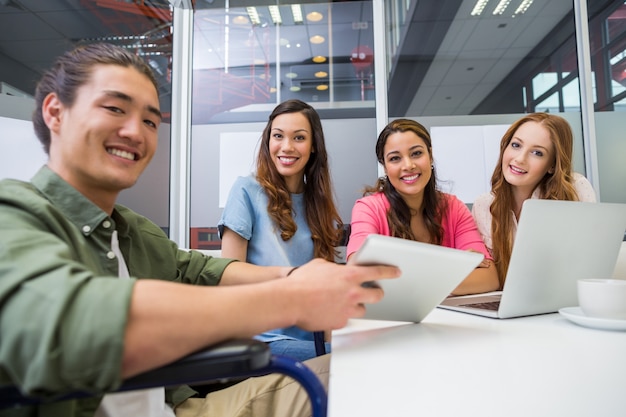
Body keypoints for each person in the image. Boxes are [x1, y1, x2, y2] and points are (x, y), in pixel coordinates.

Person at [0, 43, 400, 417]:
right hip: (246, 354)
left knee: (364, 366)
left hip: (177, 408)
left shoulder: (133, 231)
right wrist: (289, 297)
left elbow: (205, 271)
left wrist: (296, 276)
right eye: (115, 109)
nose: (136, 132)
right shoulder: (15, 213)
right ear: (55, 112)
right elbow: (72, 323)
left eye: (150, 120)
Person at [218, 99, 343, 362]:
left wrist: (331, 342)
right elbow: (228, 276)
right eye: (278, 136)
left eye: (299, 137)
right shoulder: (246, 190)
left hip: (311, 341)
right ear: (268, 141)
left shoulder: (317, 204)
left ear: (313, 148)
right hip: (259, 339)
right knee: (352, 359)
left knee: (360, 352)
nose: (286, 147)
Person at [346, 118, 499, 296]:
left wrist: (407, 278)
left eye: (416, 153)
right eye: (395, 158)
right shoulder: (369, 208)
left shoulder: (453, 207)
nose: (408, 165)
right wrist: (452, 267)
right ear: (385, 167)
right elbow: (358, 271)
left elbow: (489, 278)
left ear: (430, 155)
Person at [472, 112, 596, 289]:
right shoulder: (484, 205)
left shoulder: (575, 189)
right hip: (504, 300)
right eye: (516, 145)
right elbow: (490, 273)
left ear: (552, 165)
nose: (520, 159)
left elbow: (590, 262)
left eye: (537, 153)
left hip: (562, 299)